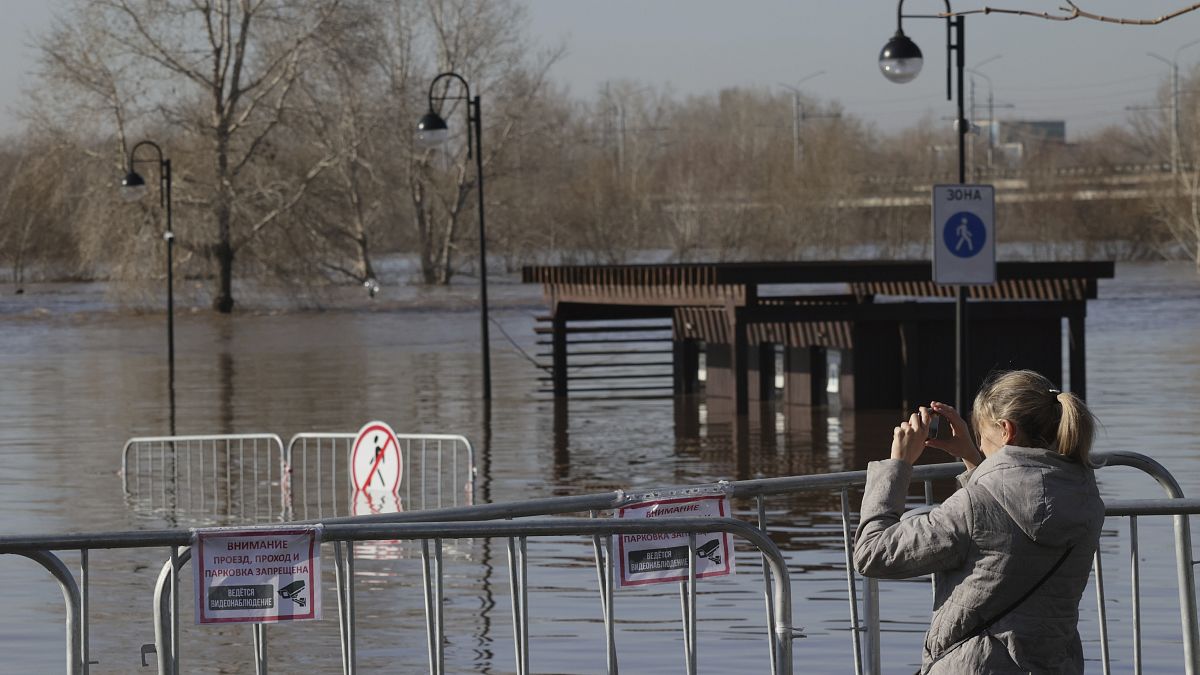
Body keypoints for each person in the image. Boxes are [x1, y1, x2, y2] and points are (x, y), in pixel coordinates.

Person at [853, 369, 1104, 674]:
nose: (983, 446)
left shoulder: (973, 506)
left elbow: (874, 554)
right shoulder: (1086, 498)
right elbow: (1013, 514)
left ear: (1006, 430)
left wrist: (898, 464)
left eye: (983, 436)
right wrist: (974, 460)